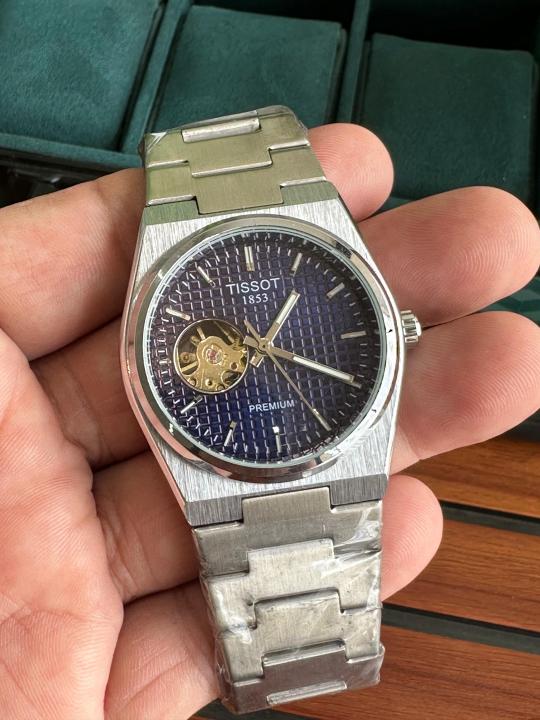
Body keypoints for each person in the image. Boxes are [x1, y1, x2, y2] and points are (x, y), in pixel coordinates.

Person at [0, 124, 539, 719]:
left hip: (321, 447)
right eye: (247, 350)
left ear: (397, 328)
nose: (256, 351)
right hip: (222, 460)